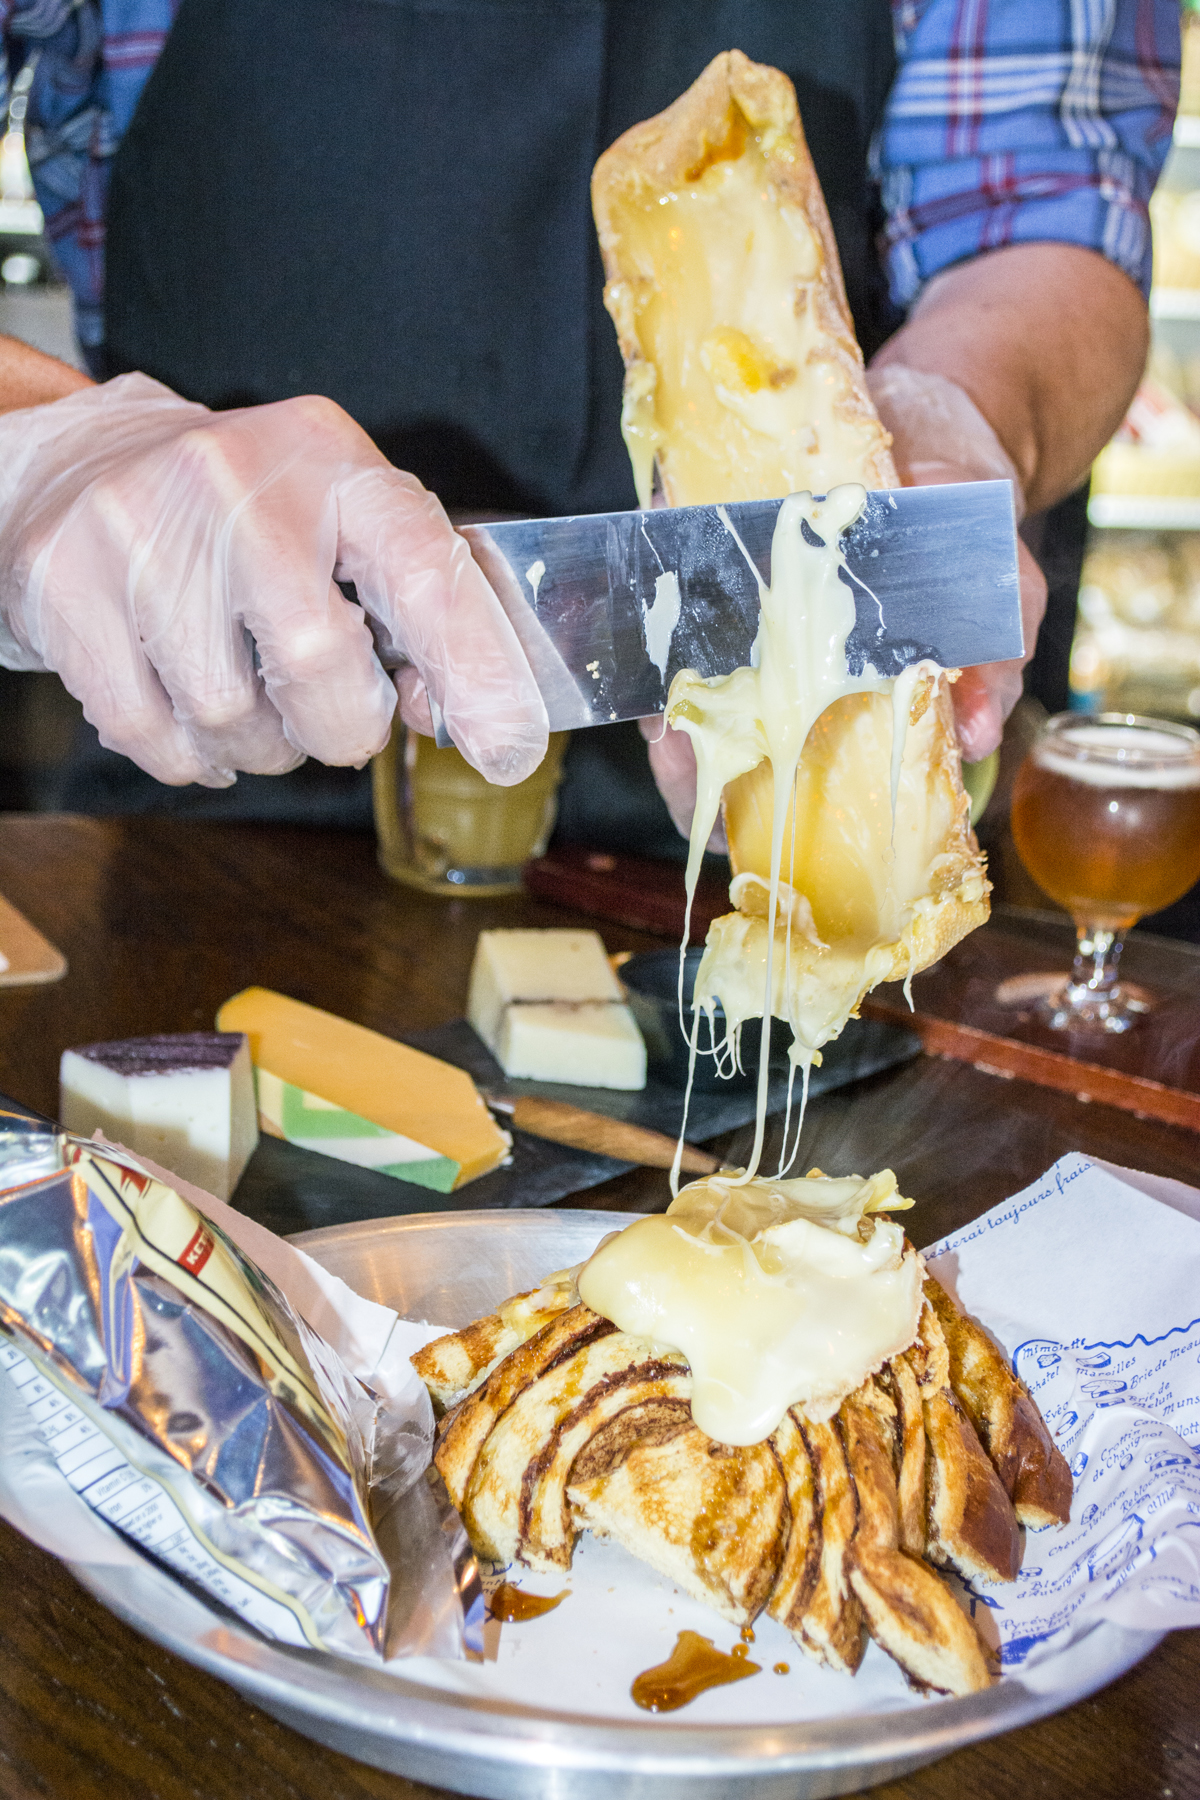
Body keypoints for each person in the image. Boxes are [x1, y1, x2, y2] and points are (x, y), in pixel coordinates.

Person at [0, 0, 1180, 845]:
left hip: (788, 796)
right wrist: (49, 446)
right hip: (215, 783)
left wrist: (951, 414)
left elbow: (1042, 205)